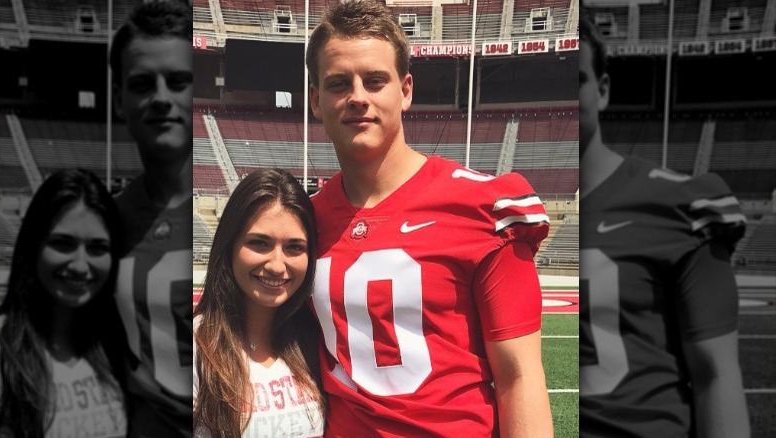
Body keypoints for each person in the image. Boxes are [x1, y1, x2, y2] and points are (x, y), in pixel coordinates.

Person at [305, 1, 554, 436]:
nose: (358, 97)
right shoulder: (305, 221)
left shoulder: (482, 206)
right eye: (339, 83)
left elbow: (520, 377)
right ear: (315, 100)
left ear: (405, 91)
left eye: (375, 81)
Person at [578, 15, 751, 437]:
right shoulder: (504, 209)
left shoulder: (678, 205)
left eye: (576, 79)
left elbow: (716, 375)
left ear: (601, 92)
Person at [109, 0, 193, 435]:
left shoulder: (246, 217)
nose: (161, 97)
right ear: (120, 100)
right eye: (143, 83)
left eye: (178, 81)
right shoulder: (108, 222)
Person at [193, 168, 325, 437]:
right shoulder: (195, 348)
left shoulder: (317, 339)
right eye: (259, 243)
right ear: (229, 246)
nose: (277, 265)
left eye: (294, 247)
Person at [0, 169, 127, 438]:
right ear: (34, 245)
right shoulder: (2, 347)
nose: (81, 265)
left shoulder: (118, 340)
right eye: (62, 244)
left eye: (97, 248)